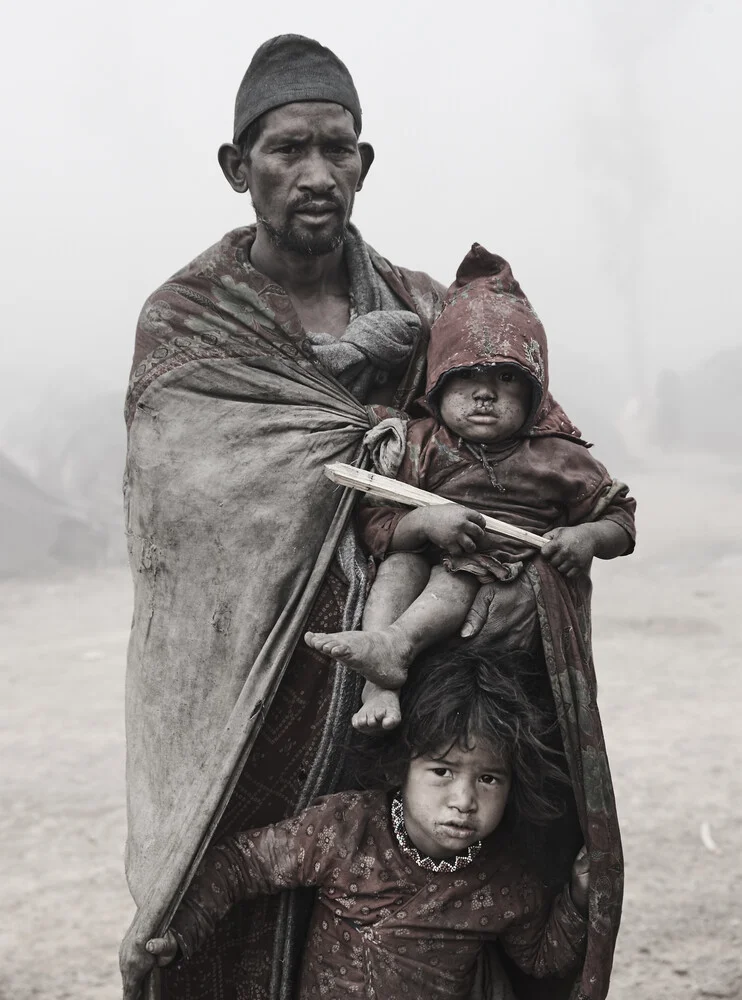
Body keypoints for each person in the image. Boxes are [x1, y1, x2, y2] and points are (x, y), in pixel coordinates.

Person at [126, 648, 591, 1000]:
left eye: (489, 778)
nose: (464, 801)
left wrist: (577, 893)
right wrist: (179, 931)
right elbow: (239, 864)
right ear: (403, 768)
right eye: (442, 772)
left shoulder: (506, 878)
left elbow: (540, 959)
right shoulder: (345, 828)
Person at [305, 244, 636, 730]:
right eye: (466, 377)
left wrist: (588, 538)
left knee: (457, 576)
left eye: (507, 377)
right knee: (397, 568)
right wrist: (422, 522)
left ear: (535, 389)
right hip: (423, 566)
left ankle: (397, 646)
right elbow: (375, 522)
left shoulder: (560, 456)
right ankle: (380, 678)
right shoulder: (420, 445)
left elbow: (622, 520)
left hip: (501, 576)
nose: (486, 392)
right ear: (438, 384)